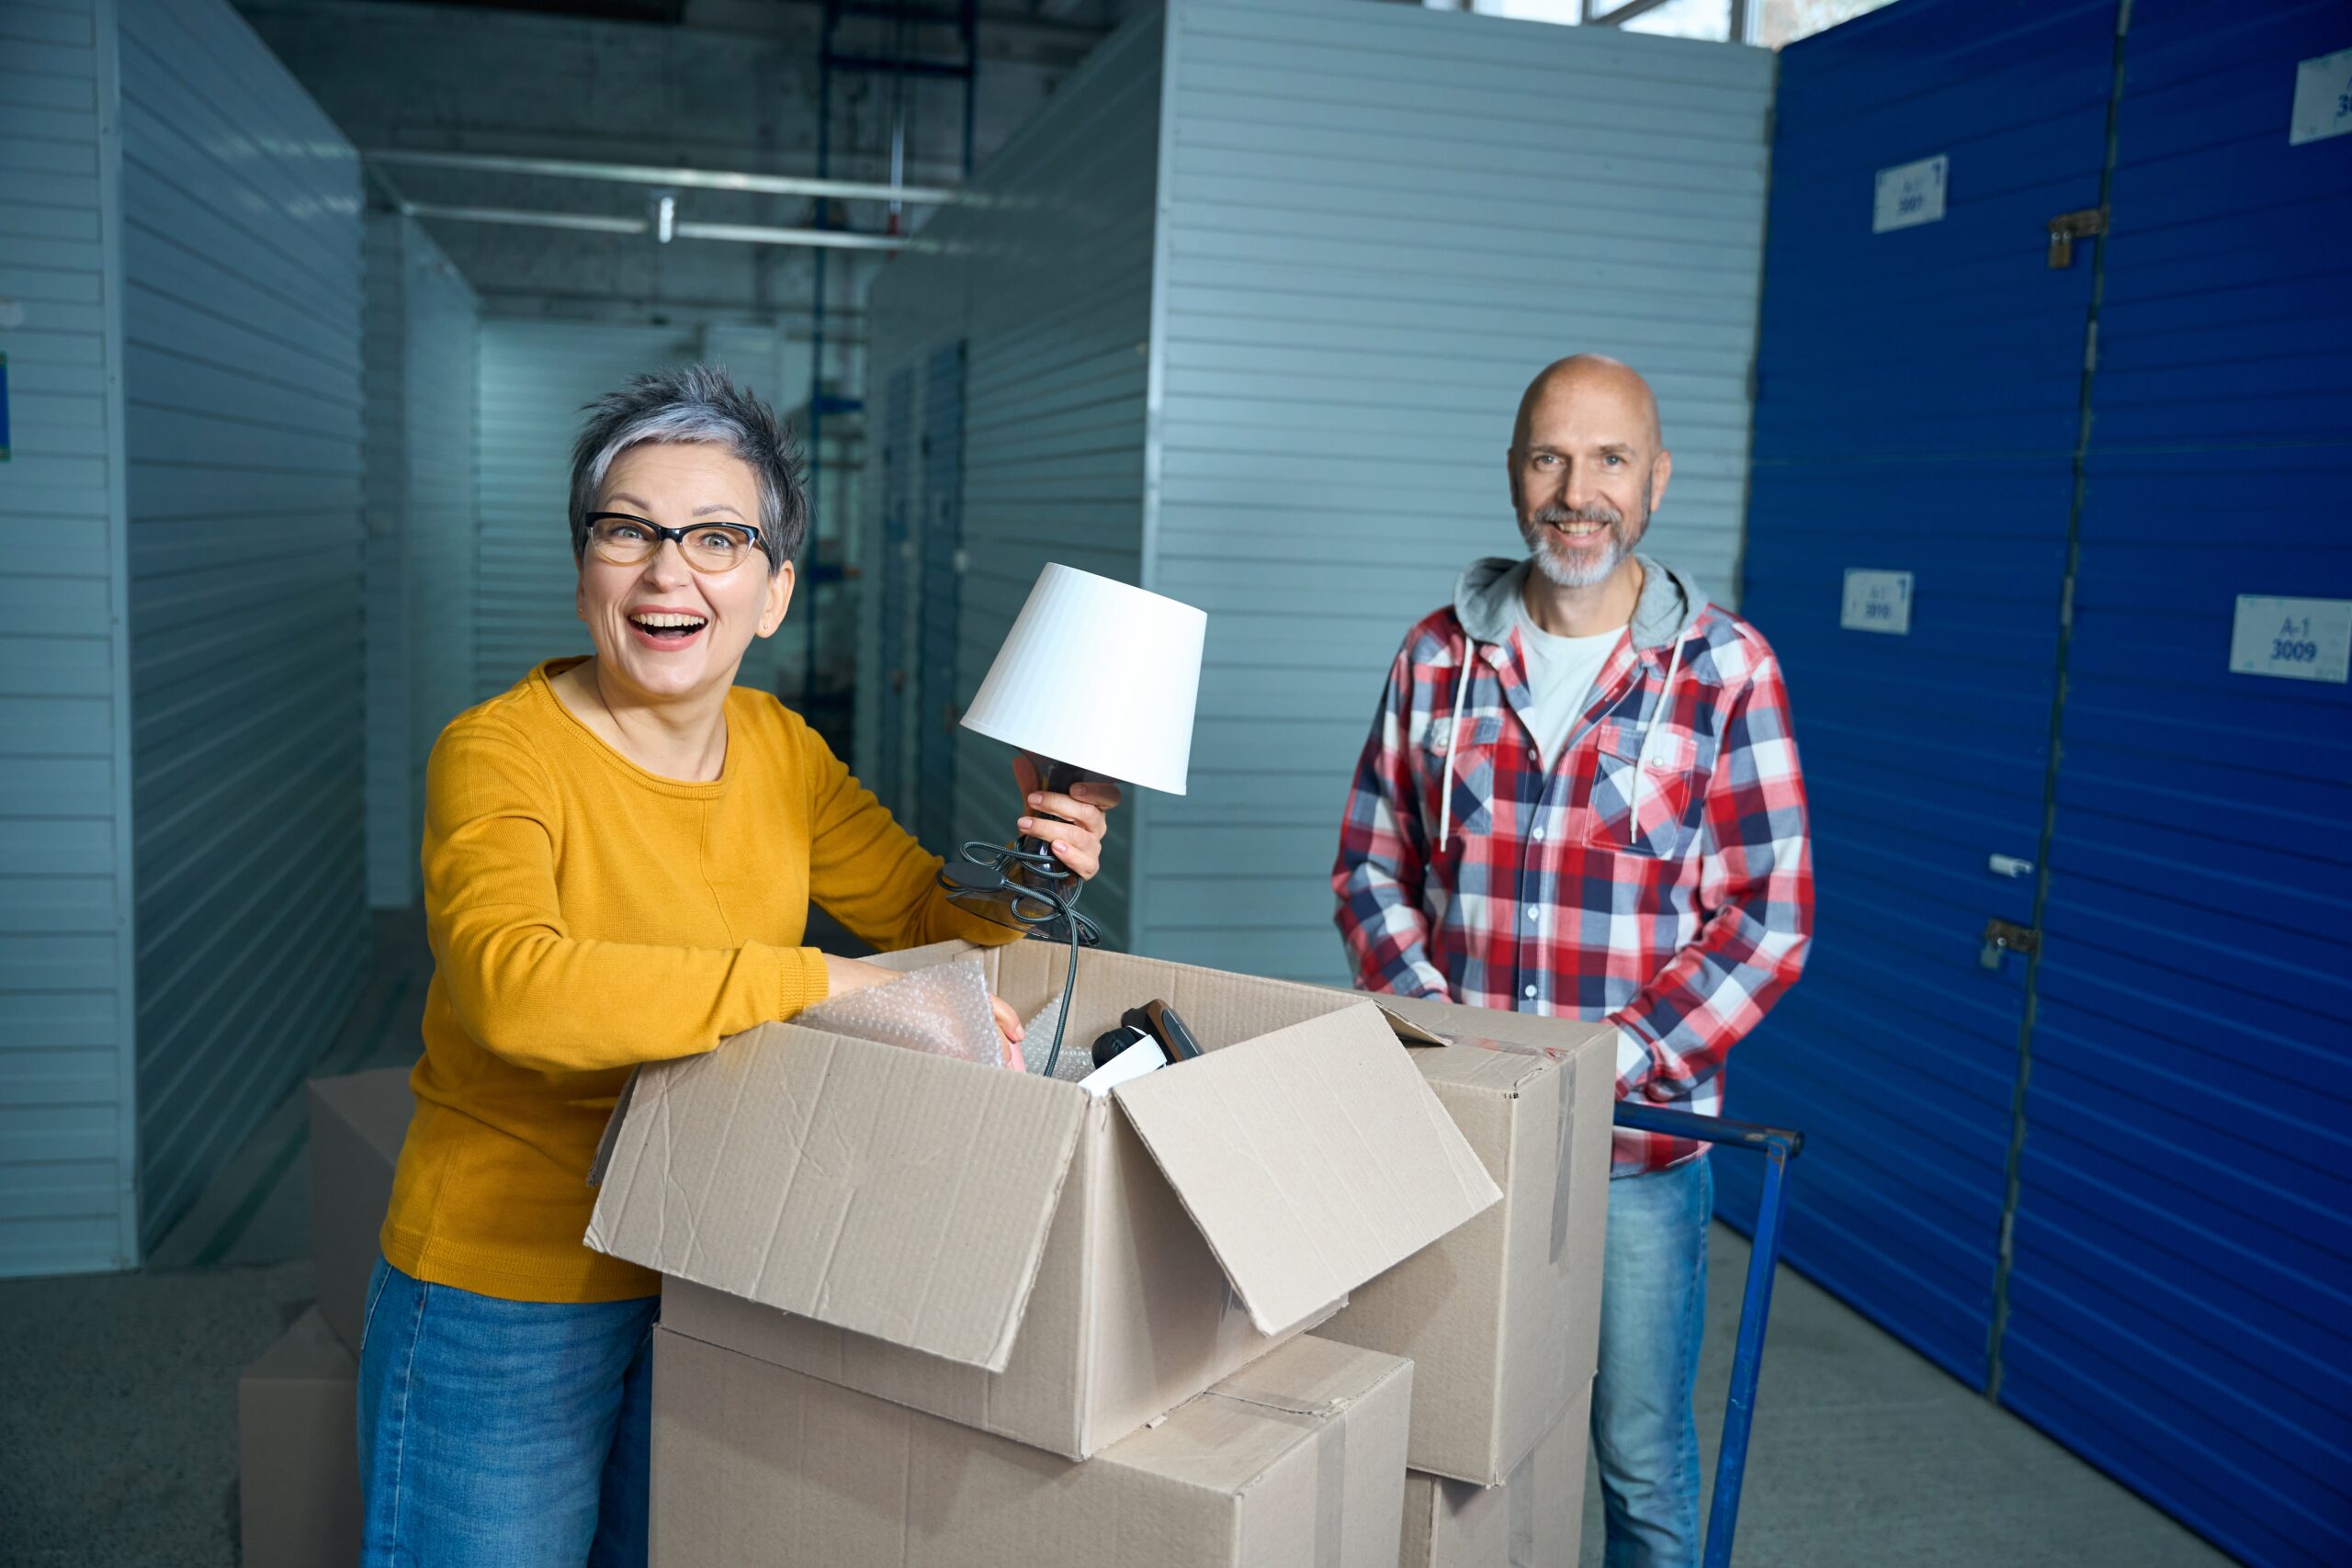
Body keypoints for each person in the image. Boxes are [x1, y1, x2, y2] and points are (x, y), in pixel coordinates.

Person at [356, 364, 1122, 1567]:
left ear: (772, 593)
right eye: (629, 531)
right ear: (582, 571)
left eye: (718, 538)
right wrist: (822, 979)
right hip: (508, 1284)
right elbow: (518, 989)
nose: (669, 571)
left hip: (704, 1252)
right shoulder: (495, 756)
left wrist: (1034, 871)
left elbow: (927, 910)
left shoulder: (780, 747)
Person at [1332, 355, 1812, 1567]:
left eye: (1609, 459)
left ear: (1655, 480)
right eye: (1550, 455)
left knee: (1641, 1468)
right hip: (1461, 1141)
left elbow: (1770, 916)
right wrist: (1445, 1039)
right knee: (1459, 1447)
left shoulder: (1722, 670)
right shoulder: (1437, 657)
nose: (1576, 490)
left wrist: (1618, 1064)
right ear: (1512, 473)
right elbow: (1370, 869)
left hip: (1638, 1162)